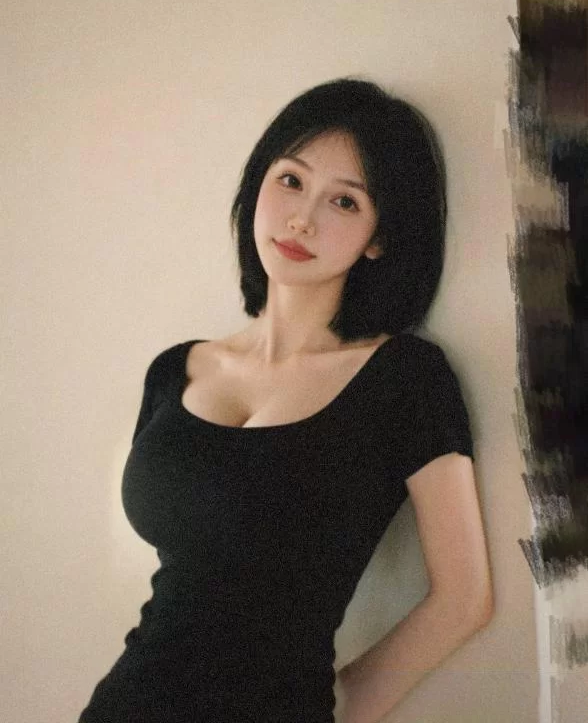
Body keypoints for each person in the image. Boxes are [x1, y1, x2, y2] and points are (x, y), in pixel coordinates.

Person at [78, 78, 493, 723]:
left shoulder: (404, 380)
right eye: (291, 181)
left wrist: (336, 705)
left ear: (379, 236)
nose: (302, 218)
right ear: (259, 185)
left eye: (345, 201)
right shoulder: (176, 370)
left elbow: (464, 599)